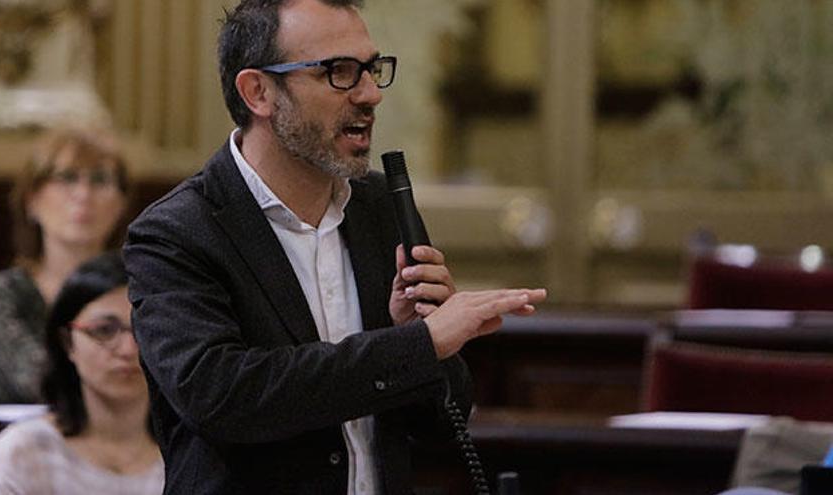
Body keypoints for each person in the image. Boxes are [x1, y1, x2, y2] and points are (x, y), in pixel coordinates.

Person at [123, 0, 547, 493]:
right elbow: (225, 396)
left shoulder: (379, 208)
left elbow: (435, 427)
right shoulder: (177, 232)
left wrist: (423, 339)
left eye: (371, 69)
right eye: (339, 73)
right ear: (258, 91)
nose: (370, 94)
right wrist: (417, 345)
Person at [0, 253, 163, 495]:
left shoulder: (191, 454)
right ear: (67, 342)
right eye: (104, 330)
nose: (128, 349)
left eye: (142, 330)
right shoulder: (22, 452)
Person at [0, 128, 130, 403]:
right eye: (67, 178)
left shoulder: (147, 286)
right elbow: (35, 382)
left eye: (100, 180)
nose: (83, 194)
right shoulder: (0, 295)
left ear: (121, 204)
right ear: (31, 200)